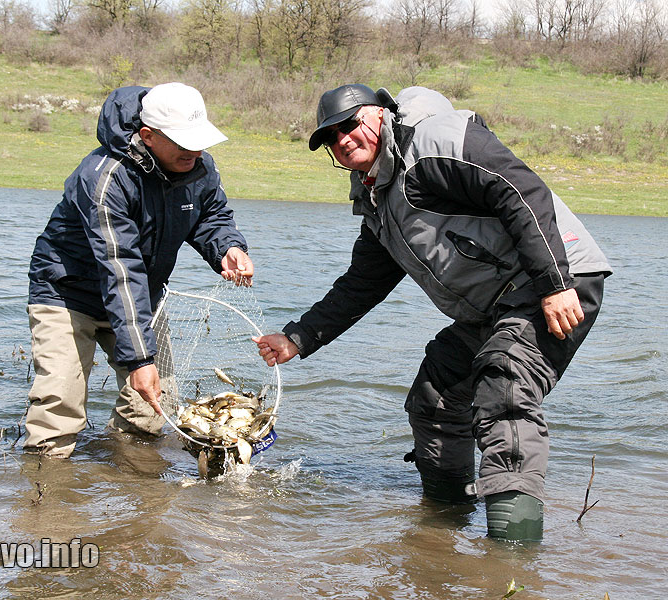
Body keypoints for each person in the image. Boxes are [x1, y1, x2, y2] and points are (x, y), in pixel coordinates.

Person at [253, 84, 611, 541]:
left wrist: (554, 282)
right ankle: (443, 527)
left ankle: (512, 558)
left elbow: (521, 190)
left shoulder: (434, 143)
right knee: (435, 395)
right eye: (330, 138)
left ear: (380, 115)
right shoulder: (380, 199)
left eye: (349, 125)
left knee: (503, 387)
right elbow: (361, 285)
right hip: (494, 307)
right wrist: (298, 338)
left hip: (557, 282)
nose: (342, 140)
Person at [25, 82, 253, 458]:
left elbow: (211, 215)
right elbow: (120, 268)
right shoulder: (104, 178)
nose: (194, 151)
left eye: (198, 141)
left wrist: (227, 247)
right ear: (147, 136)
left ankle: (133, 485)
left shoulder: (198, 166)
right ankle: (47, 505)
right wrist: (140, 360)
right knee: (59, 409)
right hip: (68, 295)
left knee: (151, 409)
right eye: (182, 143)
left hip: (140, 296)